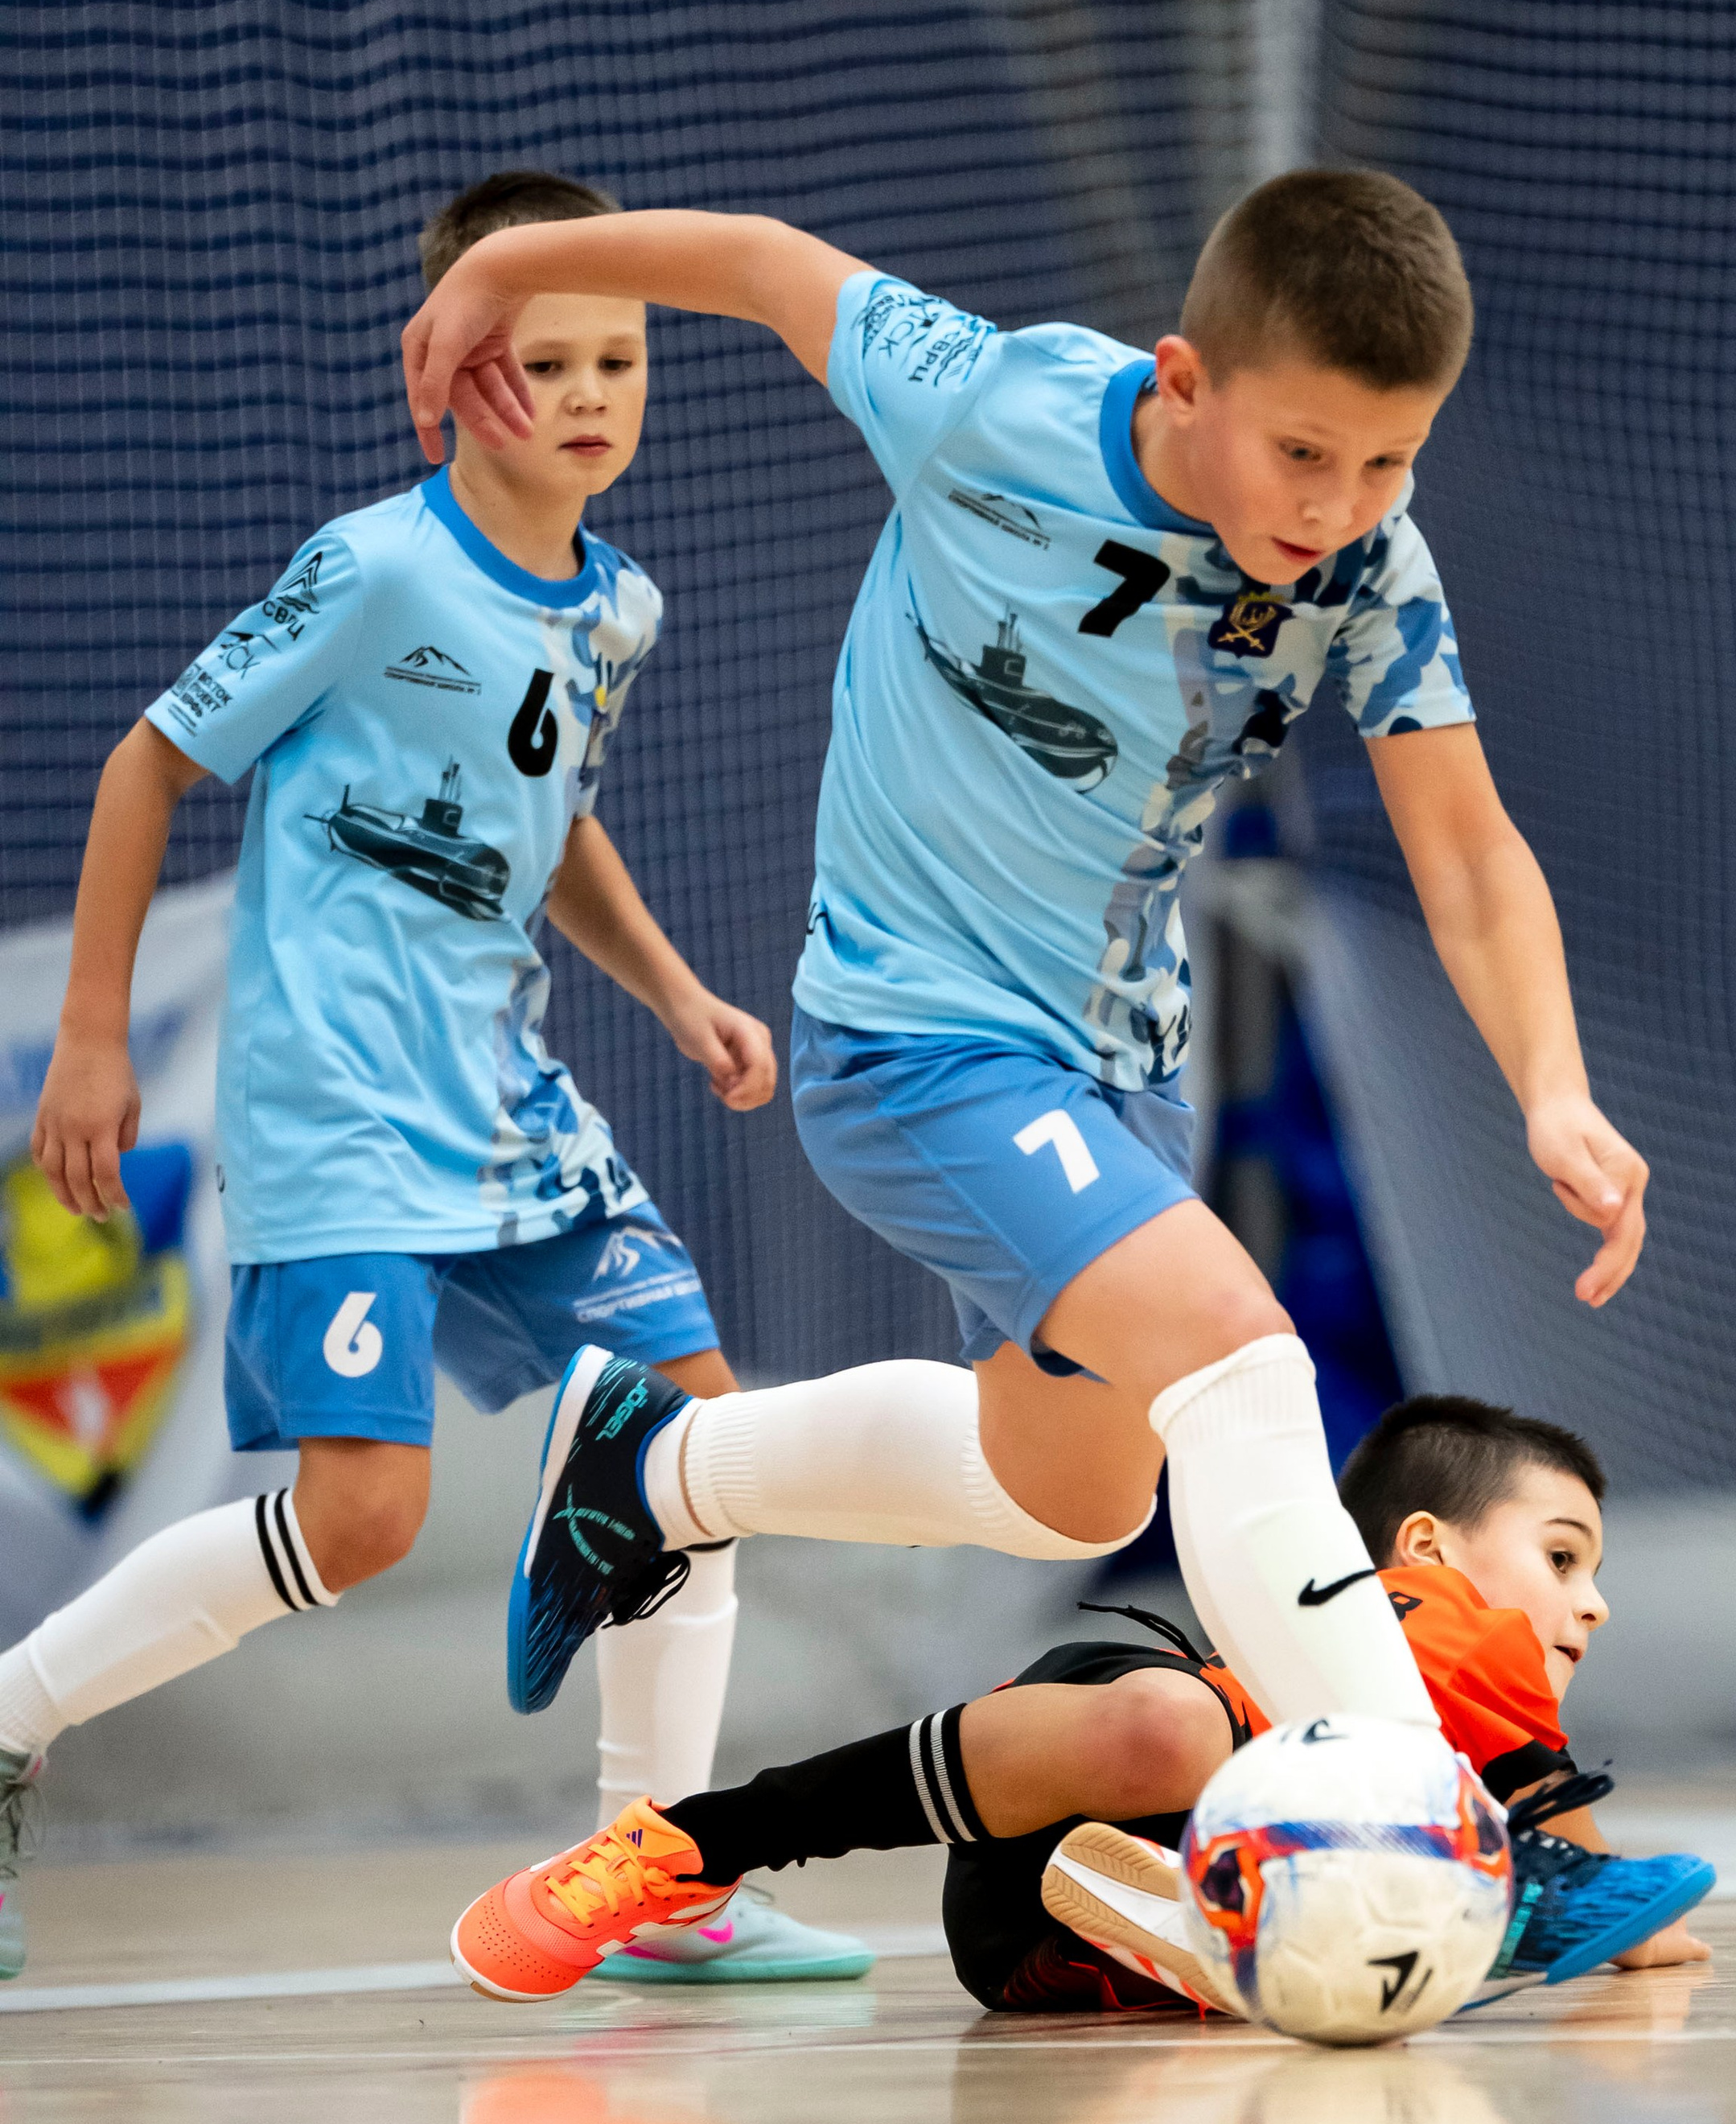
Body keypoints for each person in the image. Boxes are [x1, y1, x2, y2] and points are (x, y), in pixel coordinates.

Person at [400, 169, 1652, 1786]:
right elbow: (770, 263)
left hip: (1122, 1065)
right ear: (1182, 380)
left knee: (1076, 1488)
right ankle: (1455, 1818)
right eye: (1300, 453)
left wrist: (1551, 1085)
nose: (1335, 502)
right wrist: (517, 263)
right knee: (1239, 1357)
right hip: (913, 1041)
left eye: (1384, 460)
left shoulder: (1367, 568)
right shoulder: (988, 400)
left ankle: (659, 1470)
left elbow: (1468, 853)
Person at [0, 171, 861, 1987]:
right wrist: (92, 1036)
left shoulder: (617, 605)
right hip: (337, 1115)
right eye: (543, 360)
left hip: (514, 1110)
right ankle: (11, 1720)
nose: (589, 394)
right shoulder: (373, 566)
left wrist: (682, 993)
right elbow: (145, 769)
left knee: (693, 1442)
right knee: (366, 1519)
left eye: (618, 355)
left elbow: (549, 830)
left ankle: (657, 1877)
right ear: (455, 366)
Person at [449, 1395, 1715, 2010]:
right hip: (1094, 1746)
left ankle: (1198, 1917)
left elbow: (1579, 1848)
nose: (1591, 1601)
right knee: (1201, 1729)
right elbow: (1556, 1822)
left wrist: (1630, 1930)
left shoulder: (1490, 1740)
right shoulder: (1426, 1620)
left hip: (1031, 1958)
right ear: (1426, 1542)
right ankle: (689, 1842)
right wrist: (1582, 1897)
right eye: (1562, 1556)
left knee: (1352, 1952)